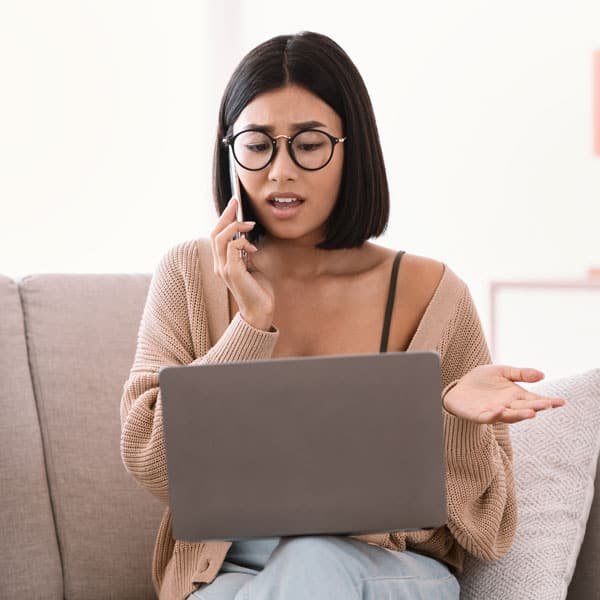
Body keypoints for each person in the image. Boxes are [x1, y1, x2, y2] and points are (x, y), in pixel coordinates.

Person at [119, 31, 566, 600]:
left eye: (308, 145)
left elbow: (490, 524)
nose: (280, 171)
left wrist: (449, 416)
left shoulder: (431, 291)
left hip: (385, 569)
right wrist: (248, 328)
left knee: (314, 560)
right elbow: (151, 461)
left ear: (352, 148)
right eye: (257, 145)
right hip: (230, 576)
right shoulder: (189, 274)